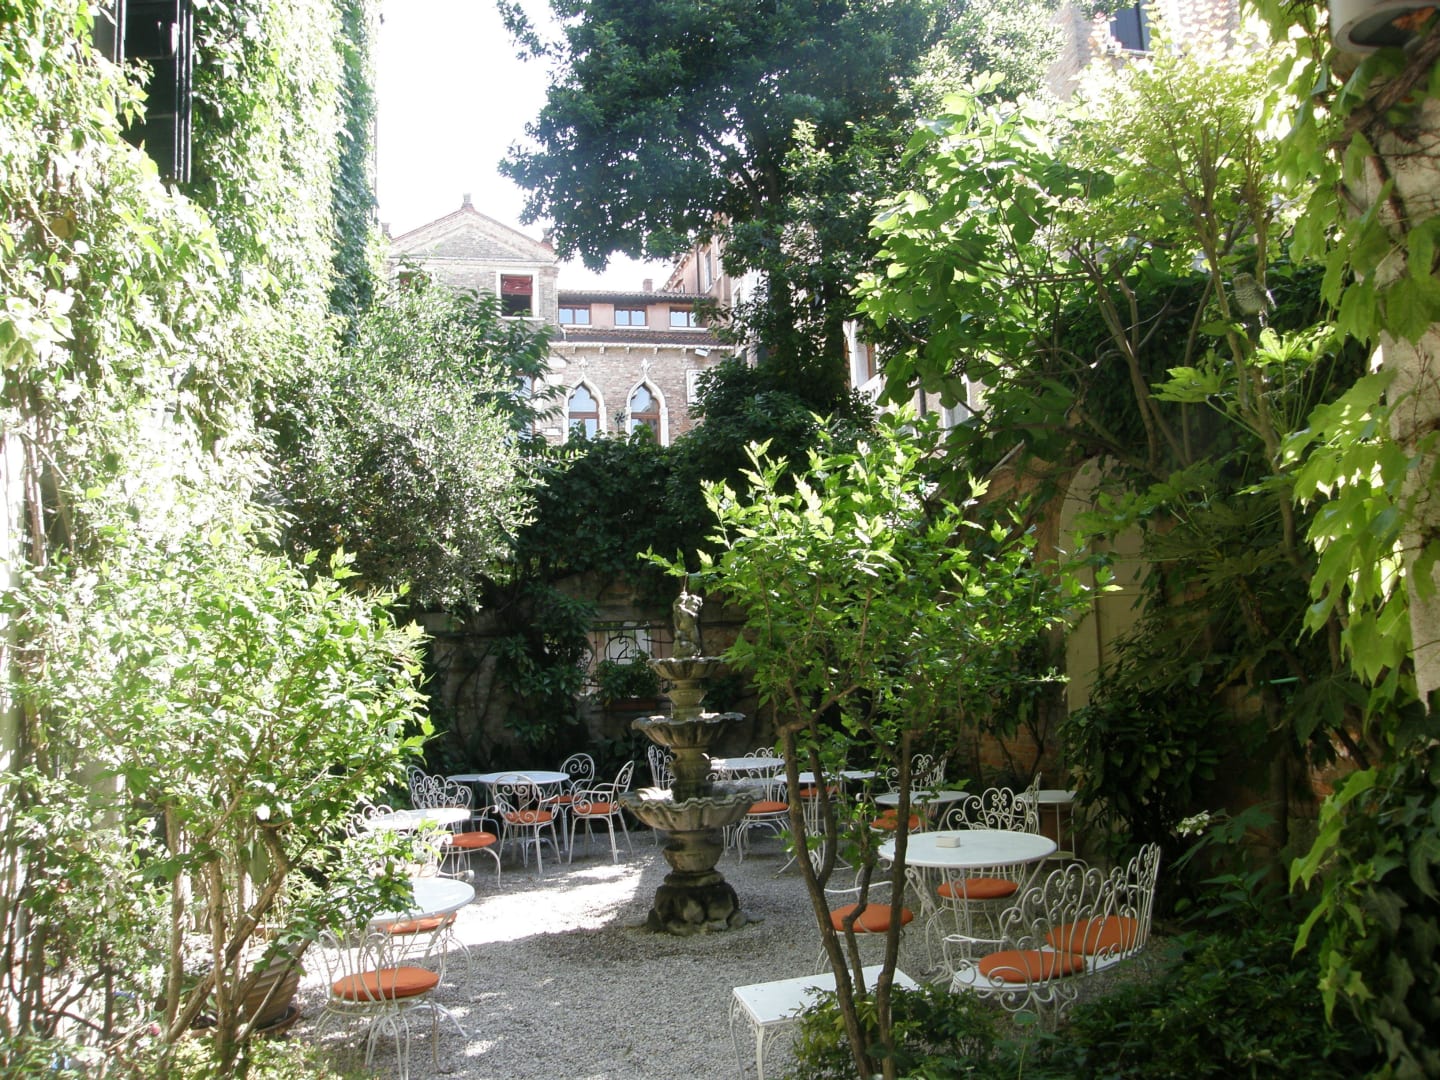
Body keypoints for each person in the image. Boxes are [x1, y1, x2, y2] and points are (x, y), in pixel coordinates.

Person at [673, 588, 703, 658]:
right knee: (679, 641)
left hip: (692, 633)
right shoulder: (682, 613)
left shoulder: (694, 615)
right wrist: (681, 598)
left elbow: (689, 614)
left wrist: (682, 608)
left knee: (695, 644)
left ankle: (695, 651)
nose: (695, 607)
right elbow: (675, 608)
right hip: (683, 633)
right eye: (693, 604)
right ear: (687, 604)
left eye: (697, 606)